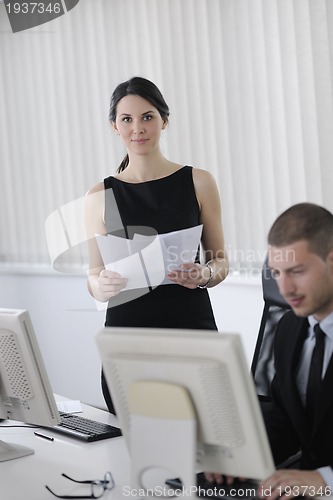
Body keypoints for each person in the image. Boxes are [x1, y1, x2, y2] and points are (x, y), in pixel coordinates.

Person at [85, 76, 229, 413]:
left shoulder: (199, 182)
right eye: (127, 119)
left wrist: (205, 274)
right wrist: (100, 286)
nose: (138, 128)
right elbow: (94, 274)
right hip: (127, 338)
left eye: (147, 117)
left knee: (203, 441)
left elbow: (221, 261)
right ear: (114, 126)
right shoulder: (98, 196)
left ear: (164, 121)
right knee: (138, 448)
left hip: (190, 330)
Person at [206, 202, 333, 499]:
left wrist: (324, 478)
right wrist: (241, 459)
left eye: (297, 271)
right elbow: (284, 421)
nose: (285, 288)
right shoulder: (289, 328)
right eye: (276, 273)